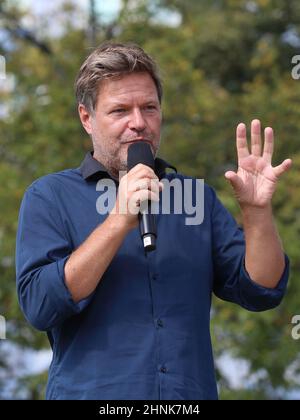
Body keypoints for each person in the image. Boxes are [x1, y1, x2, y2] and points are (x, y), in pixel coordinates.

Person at [16, 42, 292, 400]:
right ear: (87, 118)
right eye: (120, 110)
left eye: (149, 107)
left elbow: (262, 289)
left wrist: (257, 214)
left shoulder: (197, 198)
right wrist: (119, 220)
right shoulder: (49, 196)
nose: (138, 123)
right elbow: (40, 304)